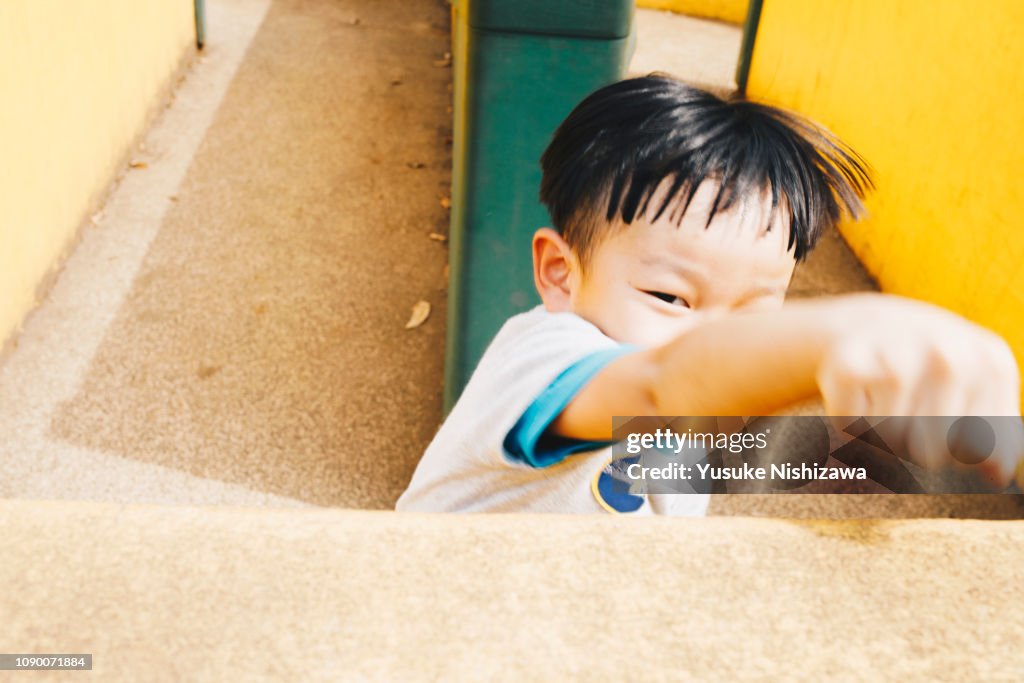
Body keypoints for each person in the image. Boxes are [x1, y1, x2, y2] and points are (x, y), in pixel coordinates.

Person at [396, 74, 1021, 515]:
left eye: (754, 312)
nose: (719, 339)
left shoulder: (712, 411)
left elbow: (777, 458)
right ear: (560, 272)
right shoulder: (543, 360)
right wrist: (848, 329)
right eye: (670, 297)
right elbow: (664, 383)